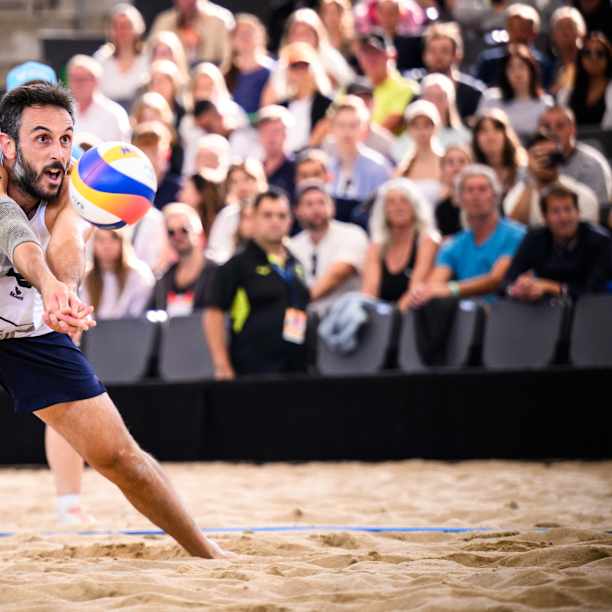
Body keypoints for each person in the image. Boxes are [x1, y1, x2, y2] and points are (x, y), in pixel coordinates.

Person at [0, 82, 228, 558]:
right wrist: (48, 285)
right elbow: (16, 236)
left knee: (119, 456)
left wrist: (66, 292)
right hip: (29, 296)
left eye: (65, 138)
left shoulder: (77, 176)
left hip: (26, 333)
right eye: (42, 138)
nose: (58, 151)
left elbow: (67, 240)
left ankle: (206, 552)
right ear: (7, 145)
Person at [204, 188, 310, 378]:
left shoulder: (296, 264)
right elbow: (213, 313)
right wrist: (221, 365)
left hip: (296, 369)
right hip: (251, 370)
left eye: (281, 215)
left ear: (290, 221)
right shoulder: (236, 265)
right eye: (267, 215)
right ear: (253, 219)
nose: (275, 221)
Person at [408, 165, 526, 307]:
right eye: (469, 190)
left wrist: (451, 289)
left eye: (483, 189)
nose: (476, 195)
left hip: (510, 314)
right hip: (470, 318)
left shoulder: (516, 235)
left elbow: (497, 279)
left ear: (495, 195)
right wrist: (425, 292)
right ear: (459, 199)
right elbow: (436, 283)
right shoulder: (455, 245)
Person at [502, 183, 612, 299]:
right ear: (545, 217)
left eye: (568, 209)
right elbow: (506, 282)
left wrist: (550, 287)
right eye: (556, 211)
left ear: (578, 213)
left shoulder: (600, 241)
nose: (564, 218)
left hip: (588, 310)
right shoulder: (535, 238)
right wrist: (517, 290)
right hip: (545, 310)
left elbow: (593, 292)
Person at [289, 180, 369, 313]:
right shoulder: (293, 245)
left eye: (322, 202)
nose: (316, 208)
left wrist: (297, 302)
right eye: (309, 204)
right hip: (305, 319)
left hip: (343, 318)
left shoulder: (353, 234)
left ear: (332, 206)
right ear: (297, 211)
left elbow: (337, 274)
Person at [362, 178, 440, 310]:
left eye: (404, 201)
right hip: (380, 314)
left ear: (415, 207)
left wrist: (392, 319)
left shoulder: (427, 241)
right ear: (383, 210)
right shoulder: (376, 247)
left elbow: (415, 289)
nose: (398, 207)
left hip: (412, 314)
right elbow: (369, 292)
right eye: (391, 202)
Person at [503, 131, 599, 226]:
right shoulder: (515, 196)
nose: (546, 160)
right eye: (539, 155)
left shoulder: (583, 196)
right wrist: (531, 179)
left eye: (551, 155)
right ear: (528, 158)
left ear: (560, 158)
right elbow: (514, 230)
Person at [405, 21, 485, 120]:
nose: (438, 57)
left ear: (457, 55)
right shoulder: (414, 87)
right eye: (432, 51)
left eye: (444, 51)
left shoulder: (474, 93)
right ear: (424, 55)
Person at [148, 203, 217, 316]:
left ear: (198, 230)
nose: (178, 236)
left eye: (184, 230)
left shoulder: (216, 272)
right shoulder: (164, 279)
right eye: (171, 232)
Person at [326, 96, 391, 212]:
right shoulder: (326, 165)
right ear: (333, 128)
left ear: (364, 128)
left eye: (353, 125)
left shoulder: (378, 167)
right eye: (341, 125)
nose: (347, 132)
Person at [538, 105, 612, 205]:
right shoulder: (532, 162)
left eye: (560, 126)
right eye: (546, 127)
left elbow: (598, 211)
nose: (553, 132)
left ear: (572, 129)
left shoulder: (592, 164)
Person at [477, 44, 553, 138]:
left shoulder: (545, 104)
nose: (517, 73)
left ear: (531, 70)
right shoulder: (491, 99)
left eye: (521, 67)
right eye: (511, 68)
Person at [475, 4, 553, 89]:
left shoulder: (542, 64)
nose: (517, 33)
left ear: (534, 32)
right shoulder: (489, 62)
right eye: (512, 27)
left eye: (523, 28)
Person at [355, 31, 418, 134]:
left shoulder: (407, 88)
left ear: (391, 55)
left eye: (376, 53)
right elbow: (331, 121)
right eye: (366, 53)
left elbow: (388, 126)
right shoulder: (353, 87)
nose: (371, 59)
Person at [206, 159, 268, 264]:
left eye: (247, 179)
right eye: (234, 182)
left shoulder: (271, 213)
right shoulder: (226, 216)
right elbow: (215, 250)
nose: (241, 187)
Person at [81, 229, 154, 319]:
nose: (107, 246)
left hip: (129, 329)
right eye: (101, 240)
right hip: (95, 330)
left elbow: (137, 312)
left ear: (123, 241)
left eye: (113, 238)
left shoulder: (139, 274)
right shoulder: (86, 277)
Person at [275, 42, 334, 153]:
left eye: (304, 66)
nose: (300, 72)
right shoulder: (281, 106)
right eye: (294, 67)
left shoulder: (327, 105)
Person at [148, 0, 235, 70]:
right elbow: (149, 55)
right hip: (172, 84)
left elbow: (228, 62)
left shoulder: (220, 21)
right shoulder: (164, 21)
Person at [93, 3, 150, 109]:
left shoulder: (148, 58)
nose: (121, 31)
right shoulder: (101, 58)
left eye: (126, 26)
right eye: (116, 26)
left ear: (138, 28)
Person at [67, 54, 131, 142]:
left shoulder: (114, 113)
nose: (78, 84)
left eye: (82, 79)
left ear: (96, 81)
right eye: (73, 78)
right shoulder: (64, 111)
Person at [225, 14, 275, 119]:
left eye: (249, 32)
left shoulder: (274, 71)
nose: (245, 37)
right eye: (240, 34)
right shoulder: (226, 74)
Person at [395, 100, 444, 208]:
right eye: (415, 125)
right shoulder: (402, 167)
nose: (422, 131)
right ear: (409, 129)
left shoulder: (445, 163)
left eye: (427, 125)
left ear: (436, 127)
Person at [558, 32, 612, 129]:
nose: (594, 58)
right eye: (587, 53)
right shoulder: (568, 93)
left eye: (600, 53)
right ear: (580, 58)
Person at [472, 108, 527, 197]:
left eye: (496, 129)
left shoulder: (523, 171)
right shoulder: (471, 174)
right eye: (484, 130)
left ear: (507, 135)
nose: (490, 136)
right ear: (476, 138)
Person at [132, 121, 182, 209]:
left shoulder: (178, 190)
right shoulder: (128, 184)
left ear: (167, 153)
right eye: (143, 150)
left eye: (154, 151)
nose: (148, 157)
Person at [256, 105, 297, 202]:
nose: (271, 137)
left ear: (285, 134)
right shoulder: (255, 169)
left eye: (276, 131)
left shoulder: (297, 168)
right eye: (266, 131)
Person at [420, 73, 471, 148]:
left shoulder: (464, 138)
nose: (434, 103)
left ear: (450, 101)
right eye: (429, 97)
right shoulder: (407, 135)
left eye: (440, 97)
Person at [434, 144, 473, 237]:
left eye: (462, 161)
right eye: (450, 162)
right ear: (442, 169)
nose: (456, 166)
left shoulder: (485, 199)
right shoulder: (442, 208)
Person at [548, 6, 587, 96]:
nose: (565, 31)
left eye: (570, 26)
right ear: (553, 35)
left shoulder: (593, 59)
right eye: (560, 27)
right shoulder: (548, 67)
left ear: (582, 31)